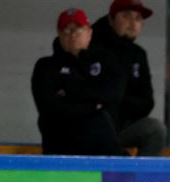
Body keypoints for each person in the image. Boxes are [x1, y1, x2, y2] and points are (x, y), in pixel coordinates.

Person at [31, 8, 125, 156]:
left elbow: (115, 94)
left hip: (103, 147)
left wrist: (69, 90)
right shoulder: (46, 66)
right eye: (67, 30)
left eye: (78, 29)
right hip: (60, 146)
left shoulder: (106, 61)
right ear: (59, 34)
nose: (73, 34)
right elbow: (49, 107)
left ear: (89, 33)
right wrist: (94, 106)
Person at [91, 0, 166, 156]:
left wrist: (118, 103)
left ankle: (142, 173)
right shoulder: (91, 47)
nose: (132, 23)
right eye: (126, 16)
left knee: (155, 129)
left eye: (138, 18)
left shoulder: (138, 54)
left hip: (123, 125)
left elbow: (147, 101)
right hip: (91, 128)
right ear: (111, 19)